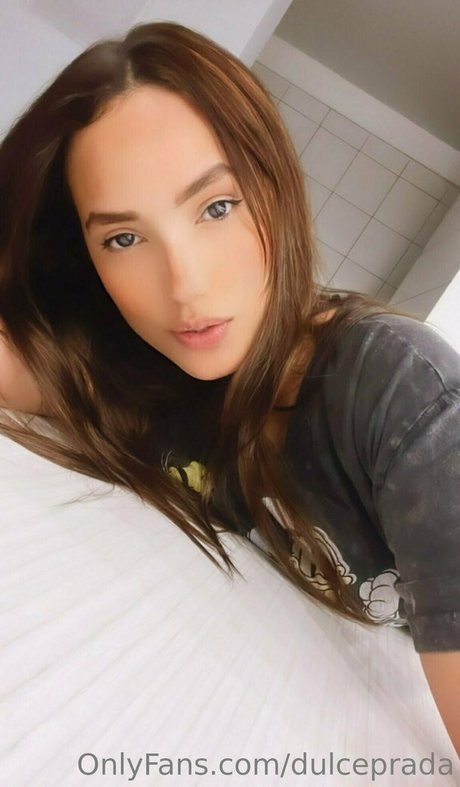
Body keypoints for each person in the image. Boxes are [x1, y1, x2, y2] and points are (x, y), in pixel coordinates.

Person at [0, 21, 458, 753]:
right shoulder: (137, 365)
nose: (184, 286)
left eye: (217, 206)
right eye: (123, 238)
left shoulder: (404, 392)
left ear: (276, 189)